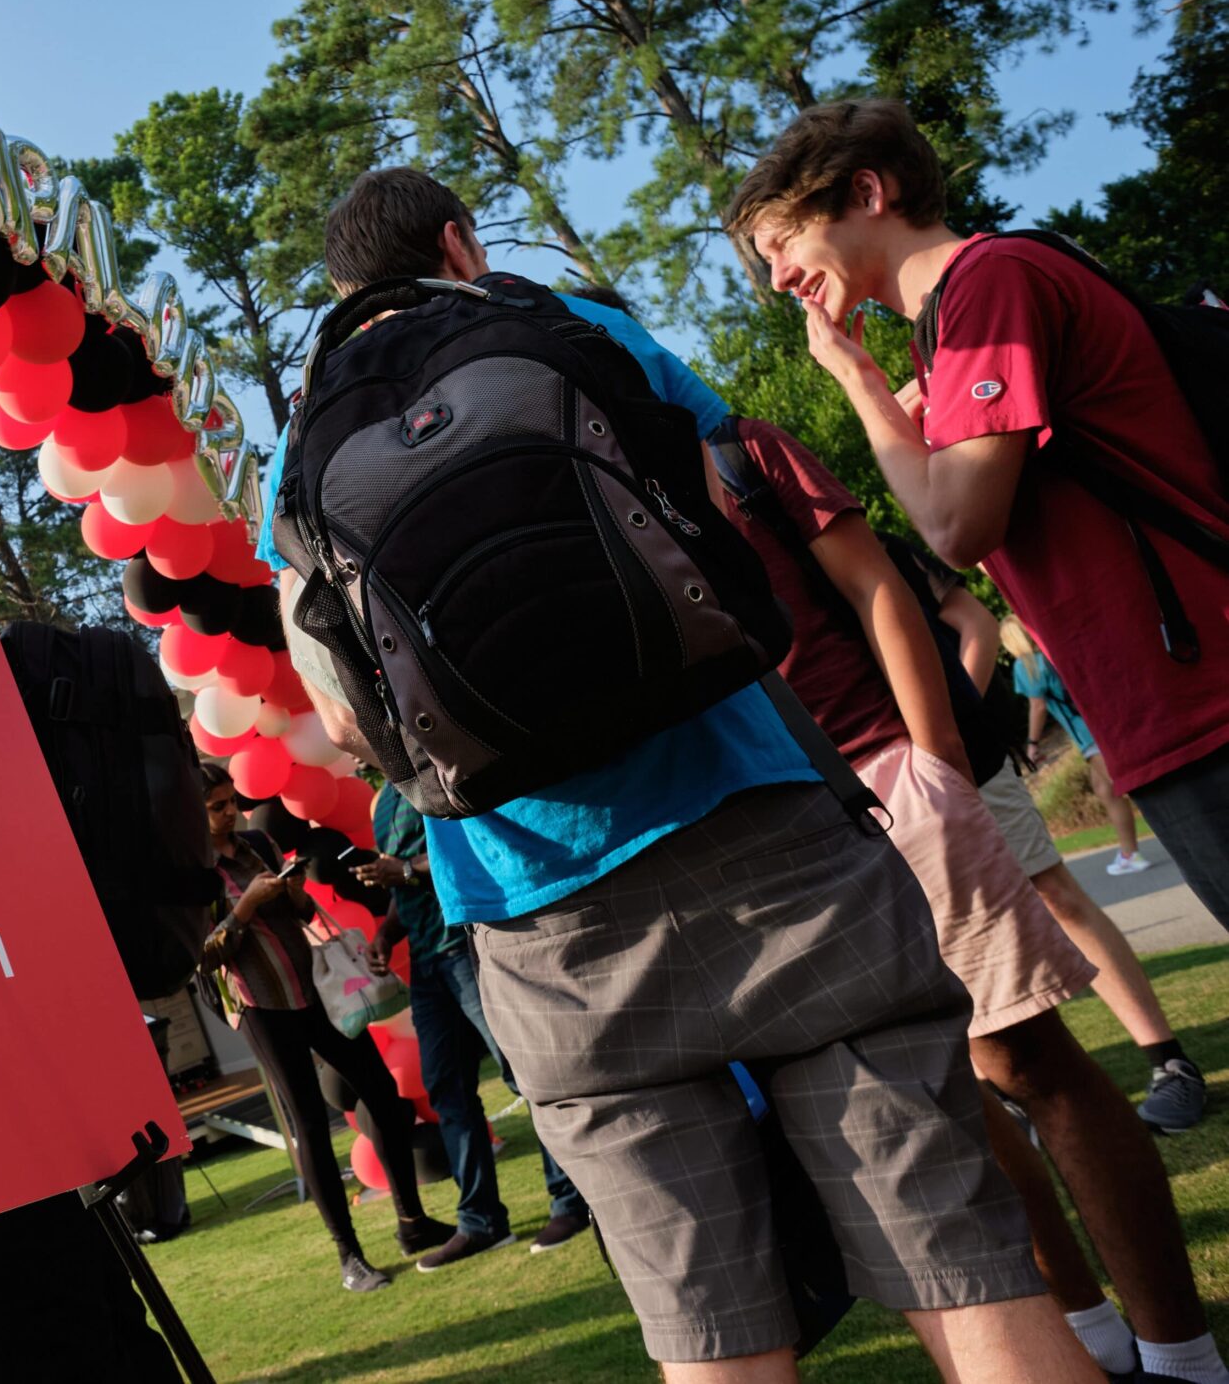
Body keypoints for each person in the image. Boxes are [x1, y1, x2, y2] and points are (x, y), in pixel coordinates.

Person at [265, 165, 1096, 1381]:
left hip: (546, 917)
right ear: (457, 241)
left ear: (343, 287)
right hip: (764, 828)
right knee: (962, 1272)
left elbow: (345, 723)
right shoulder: (564, 328)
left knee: (711, 1339)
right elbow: (715, 512)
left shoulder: (296, 460)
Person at [709, 409, 1217, 1377]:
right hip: (771, 828)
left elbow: (881, 590)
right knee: (947, 1101)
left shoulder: (736, 445)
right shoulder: (583, 489)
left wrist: (933, 765)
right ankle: (1091, 1335)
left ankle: (1182, 1354)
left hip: (883, 775)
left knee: (1028, 1064)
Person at [729, 97, 1229, 954]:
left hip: (1200, 690)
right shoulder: (954, 328)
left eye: (783, 244)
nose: (778, 280)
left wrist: (862, 386)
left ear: (867, 191)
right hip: (1164, 695)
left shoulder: (986, 285)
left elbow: (955, 527)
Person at [903, 548, 1205, 1132]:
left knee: (1055, 895)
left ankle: (1170, 1063)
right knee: (935, 936)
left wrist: (947, 719)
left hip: (965, 756)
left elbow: (979, 624)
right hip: (882, 786)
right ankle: (1005, 1101)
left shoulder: (881, 548)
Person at [197, 763, 454, 1291]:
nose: (230, 813)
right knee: (310, 1122)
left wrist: (290, 892)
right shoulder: (192, 872)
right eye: (217, 807)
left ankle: (412, 1221)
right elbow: (203, 954)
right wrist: (245, 907)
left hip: (314, 988)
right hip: (260, 1005)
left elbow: (304, 914)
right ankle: (350, 1257)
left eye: (231, 802)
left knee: (381, 1091)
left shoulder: (256, 844)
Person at [356, 781, 592, 1261]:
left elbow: (475, 848)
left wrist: (404, 869)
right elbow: (406, 888)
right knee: (448, 1092)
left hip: (471, 944)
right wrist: (385, 932)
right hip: (426, 963)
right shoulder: (382, 803)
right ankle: (481, 1223)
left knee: (523, 1074)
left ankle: (573, 1201)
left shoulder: (433, 776)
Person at [1002, 618, 1156, 876]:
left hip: (1090, 734)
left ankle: (1178, 831)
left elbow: (1037, 706)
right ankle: (1129, 853)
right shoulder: (1052, 652)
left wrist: (1032, 744)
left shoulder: (1026, 665)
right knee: (1105, 789)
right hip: (1098, 726)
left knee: (1129, 786)